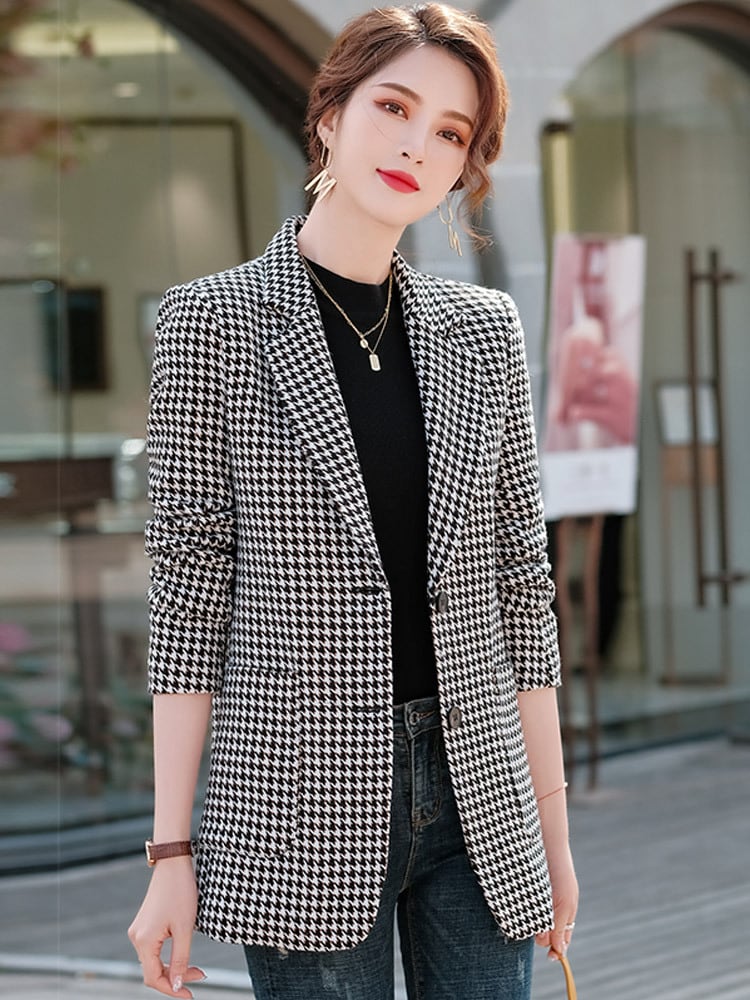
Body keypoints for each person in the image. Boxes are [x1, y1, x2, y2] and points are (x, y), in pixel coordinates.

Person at [128, 5, 578, 998]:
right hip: (299, 805)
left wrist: (553, 834)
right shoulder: (211, 322)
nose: (417, 146)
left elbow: (521, 587)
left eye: (451, 133)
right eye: (394, 107)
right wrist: (169, 851)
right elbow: (188, 594)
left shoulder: (485, 329)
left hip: (480, 797)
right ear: (330, 114)